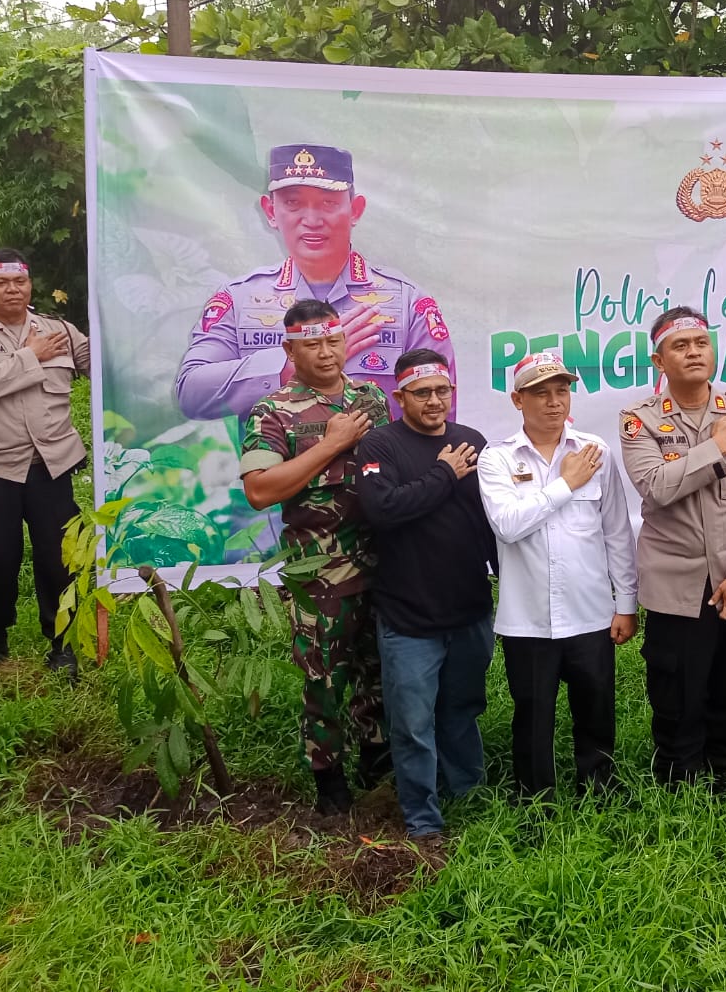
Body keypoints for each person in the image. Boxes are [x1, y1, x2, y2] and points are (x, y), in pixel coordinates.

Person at [239, 299, 393, 813]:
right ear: (290, 349)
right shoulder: (273, 410)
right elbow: (260, 491)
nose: (326, 353)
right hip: (319, 571)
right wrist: (330, 445)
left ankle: (380, 763)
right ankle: (329, 781)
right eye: (312, 344)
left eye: (333, 341)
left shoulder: (370, 396)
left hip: (383, 562)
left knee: (380, 670)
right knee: (326, 678)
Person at [177, 143, 455, 421]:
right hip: (277, 464)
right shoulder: (240, 300)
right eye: (293, 203)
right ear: (271, 211)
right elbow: (191, 394)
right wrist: (287, 366)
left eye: (328, 203)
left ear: (355, 210)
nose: (311, 220)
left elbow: (440, 419)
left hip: (379, 464)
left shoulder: (406, 302)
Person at [618, 307, 726, 791]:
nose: (694, 353)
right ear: (659, 360)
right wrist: (717, 447)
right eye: (680, 346)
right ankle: (678, 778)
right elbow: (655, 487)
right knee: (676, 686)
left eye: (701, 344)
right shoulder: (639, 421)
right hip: (676, 583)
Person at [478, 351, 639, 800]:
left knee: (596, 709)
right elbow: (507, 525)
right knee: (532, 713)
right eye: (541, 393)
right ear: (517, 400)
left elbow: (617, 533)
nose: (554, 402)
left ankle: (601, 792)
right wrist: (565, 484)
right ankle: (535, 802)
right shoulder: (497, 459)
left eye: (562, 391)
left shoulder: (595, 452)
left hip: (590, 612)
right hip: (526, 619)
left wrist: (626, 602)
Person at [355, 348, 497, 843]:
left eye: (442, 391)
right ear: (400, 398)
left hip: (469, 608)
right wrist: (443, 474)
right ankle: (422, 819)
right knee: (413, 722)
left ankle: (470, 794)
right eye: (422, 393)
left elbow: (490, 521)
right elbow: (384, 509)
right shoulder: (381, 446)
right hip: (407, 615)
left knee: (463, 708)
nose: (435, 401)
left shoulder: (472, 442)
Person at [0, 250, 90, 674]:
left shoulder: (59, 329)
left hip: (53, 463)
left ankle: (62, 643)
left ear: (30, 284)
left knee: (58, 556)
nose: (13, 290)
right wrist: (31, 357)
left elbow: (99, 368)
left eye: (20, 282)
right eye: (1, 284)